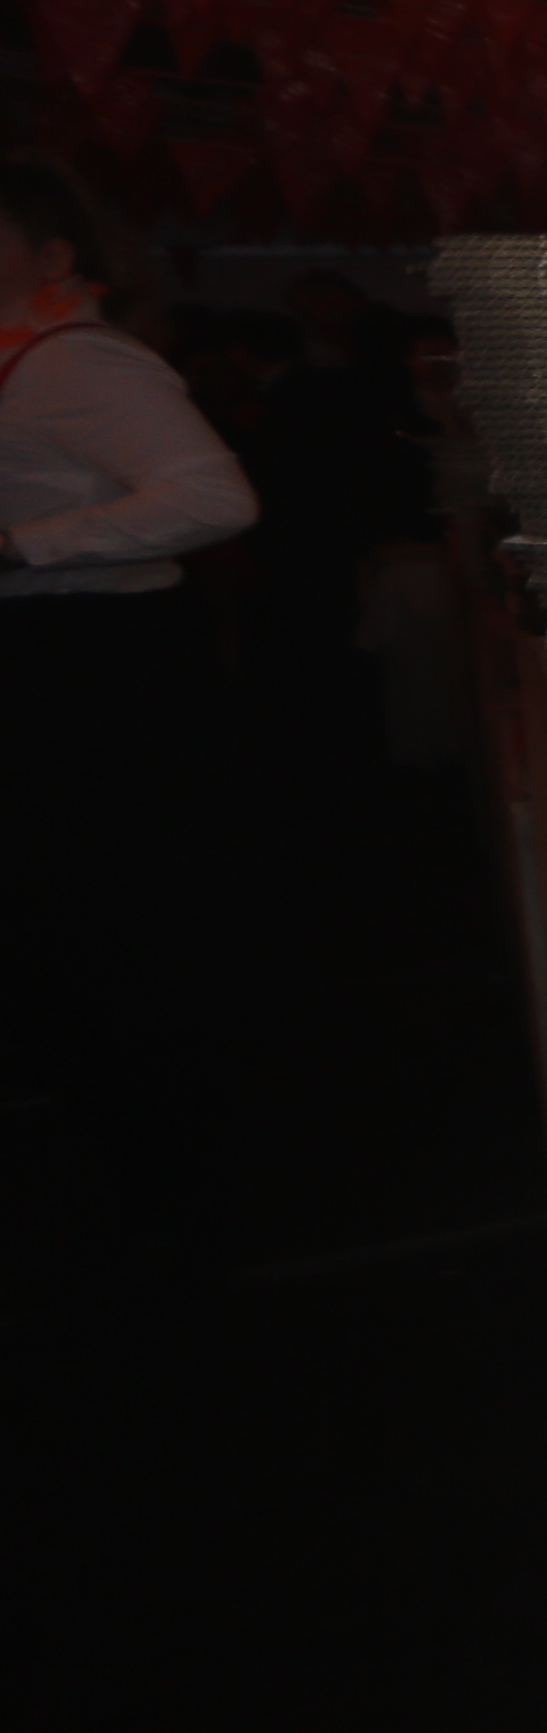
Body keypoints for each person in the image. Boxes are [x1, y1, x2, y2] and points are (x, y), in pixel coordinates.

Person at [2, 154, 259, 1134]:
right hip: (64, 645)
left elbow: (214, 498)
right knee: (77, 886)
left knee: (108, 886)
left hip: (91, 653)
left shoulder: (71, 359)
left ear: (53, 257)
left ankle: (146, 1101)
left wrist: (21, 545)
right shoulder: (28, 357)